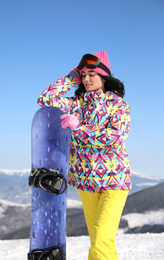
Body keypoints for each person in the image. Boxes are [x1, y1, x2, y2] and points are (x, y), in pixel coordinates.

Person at [37, 50, 131, 260]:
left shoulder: (118, 106)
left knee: (101, 241)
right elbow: (45, 99)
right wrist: (70, 78)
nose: (87, 79)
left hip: (114, 181)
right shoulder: (76, 104)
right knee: (100, 241)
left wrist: (79, 128)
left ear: (104, 76)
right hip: (85, 182)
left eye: (92, 74)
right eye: (83, 75)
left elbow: (115, 137)